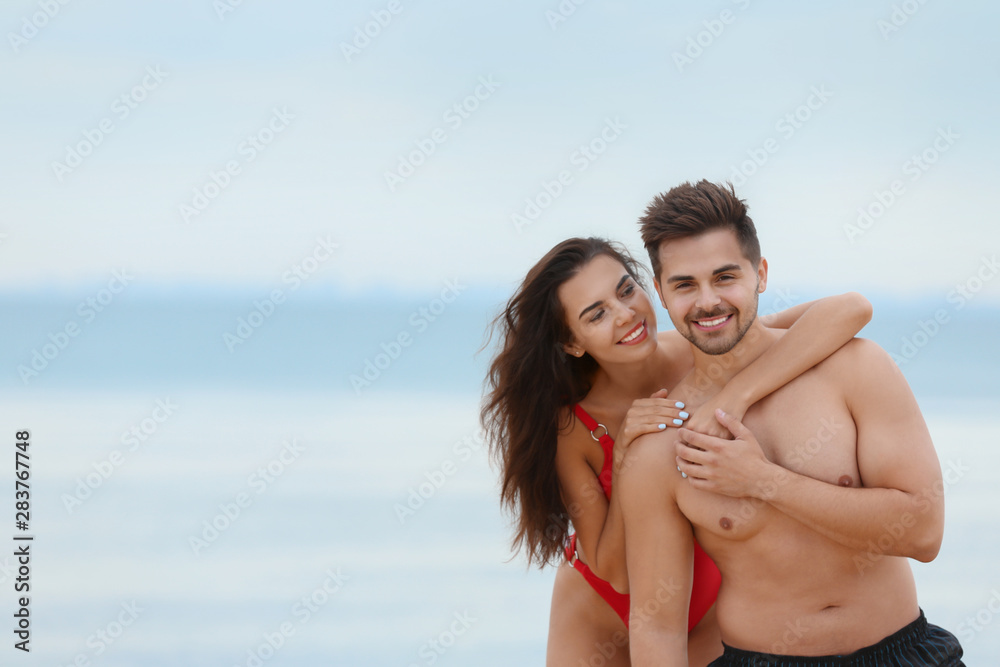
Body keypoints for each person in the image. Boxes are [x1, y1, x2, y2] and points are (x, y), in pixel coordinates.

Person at [481, 236, 873, 667]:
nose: (625, 314)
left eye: (626, 290)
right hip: (597, 611)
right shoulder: (574, 426)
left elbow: (850, 310)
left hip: (705, 600)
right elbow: (613, 571)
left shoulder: (703, 350)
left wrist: (738, 392)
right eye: (597, 314)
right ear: (573, 343)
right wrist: (627, 452)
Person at [620, 180, 964, 666]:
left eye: (725, 277)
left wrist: (763, 482)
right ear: (660, 292)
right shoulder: (663, 443)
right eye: (684, 285)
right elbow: (657, 626)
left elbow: (924, 533)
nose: (707, 302)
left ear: (759, 273)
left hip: (902, 653)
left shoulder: (854, 368)